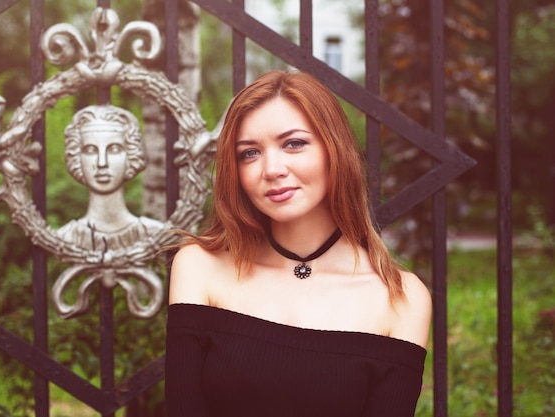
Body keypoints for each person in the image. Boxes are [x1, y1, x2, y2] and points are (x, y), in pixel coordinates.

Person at [165, 70, 432, 417]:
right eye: (249, 153)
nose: (272, 169)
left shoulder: (400, 297)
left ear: (334, 149)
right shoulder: (200, 267)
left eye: (294, 143)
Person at [57, 105, 163, 250]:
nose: (102, 163)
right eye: (90, 150)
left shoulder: (154, 233)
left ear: (131, 155)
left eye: (114, 149)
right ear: (76, 157)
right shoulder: (65, 238)